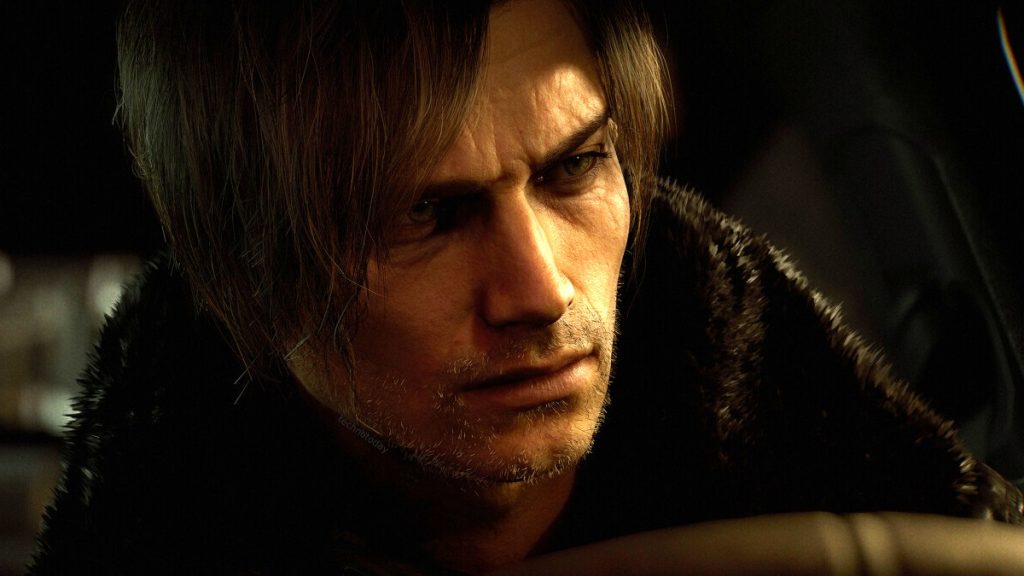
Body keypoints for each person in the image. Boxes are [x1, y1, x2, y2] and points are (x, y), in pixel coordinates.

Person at [29, 0, 1022, 574]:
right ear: (246, 273)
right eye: (425, 213)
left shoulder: (849, 478)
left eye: (573, 168)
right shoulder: (161, 527)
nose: (540, 290)